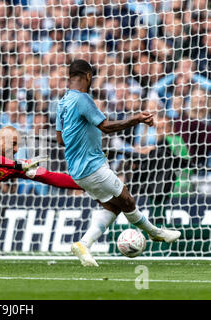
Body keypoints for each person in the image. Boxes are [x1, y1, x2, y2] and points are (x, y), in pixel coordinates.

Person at [55, 59, 181, 267]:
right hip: (92, 165)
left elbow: (60, 140)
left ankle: (84, 244)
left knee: (112, 207)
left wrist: (82, 134)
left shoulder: (63, 103)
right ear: (88, 76)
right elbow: (106, 126)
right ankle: (156, 233)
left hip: (77, 170)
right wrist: (137, 118)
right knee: (128, 201)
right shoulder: (82, 99)